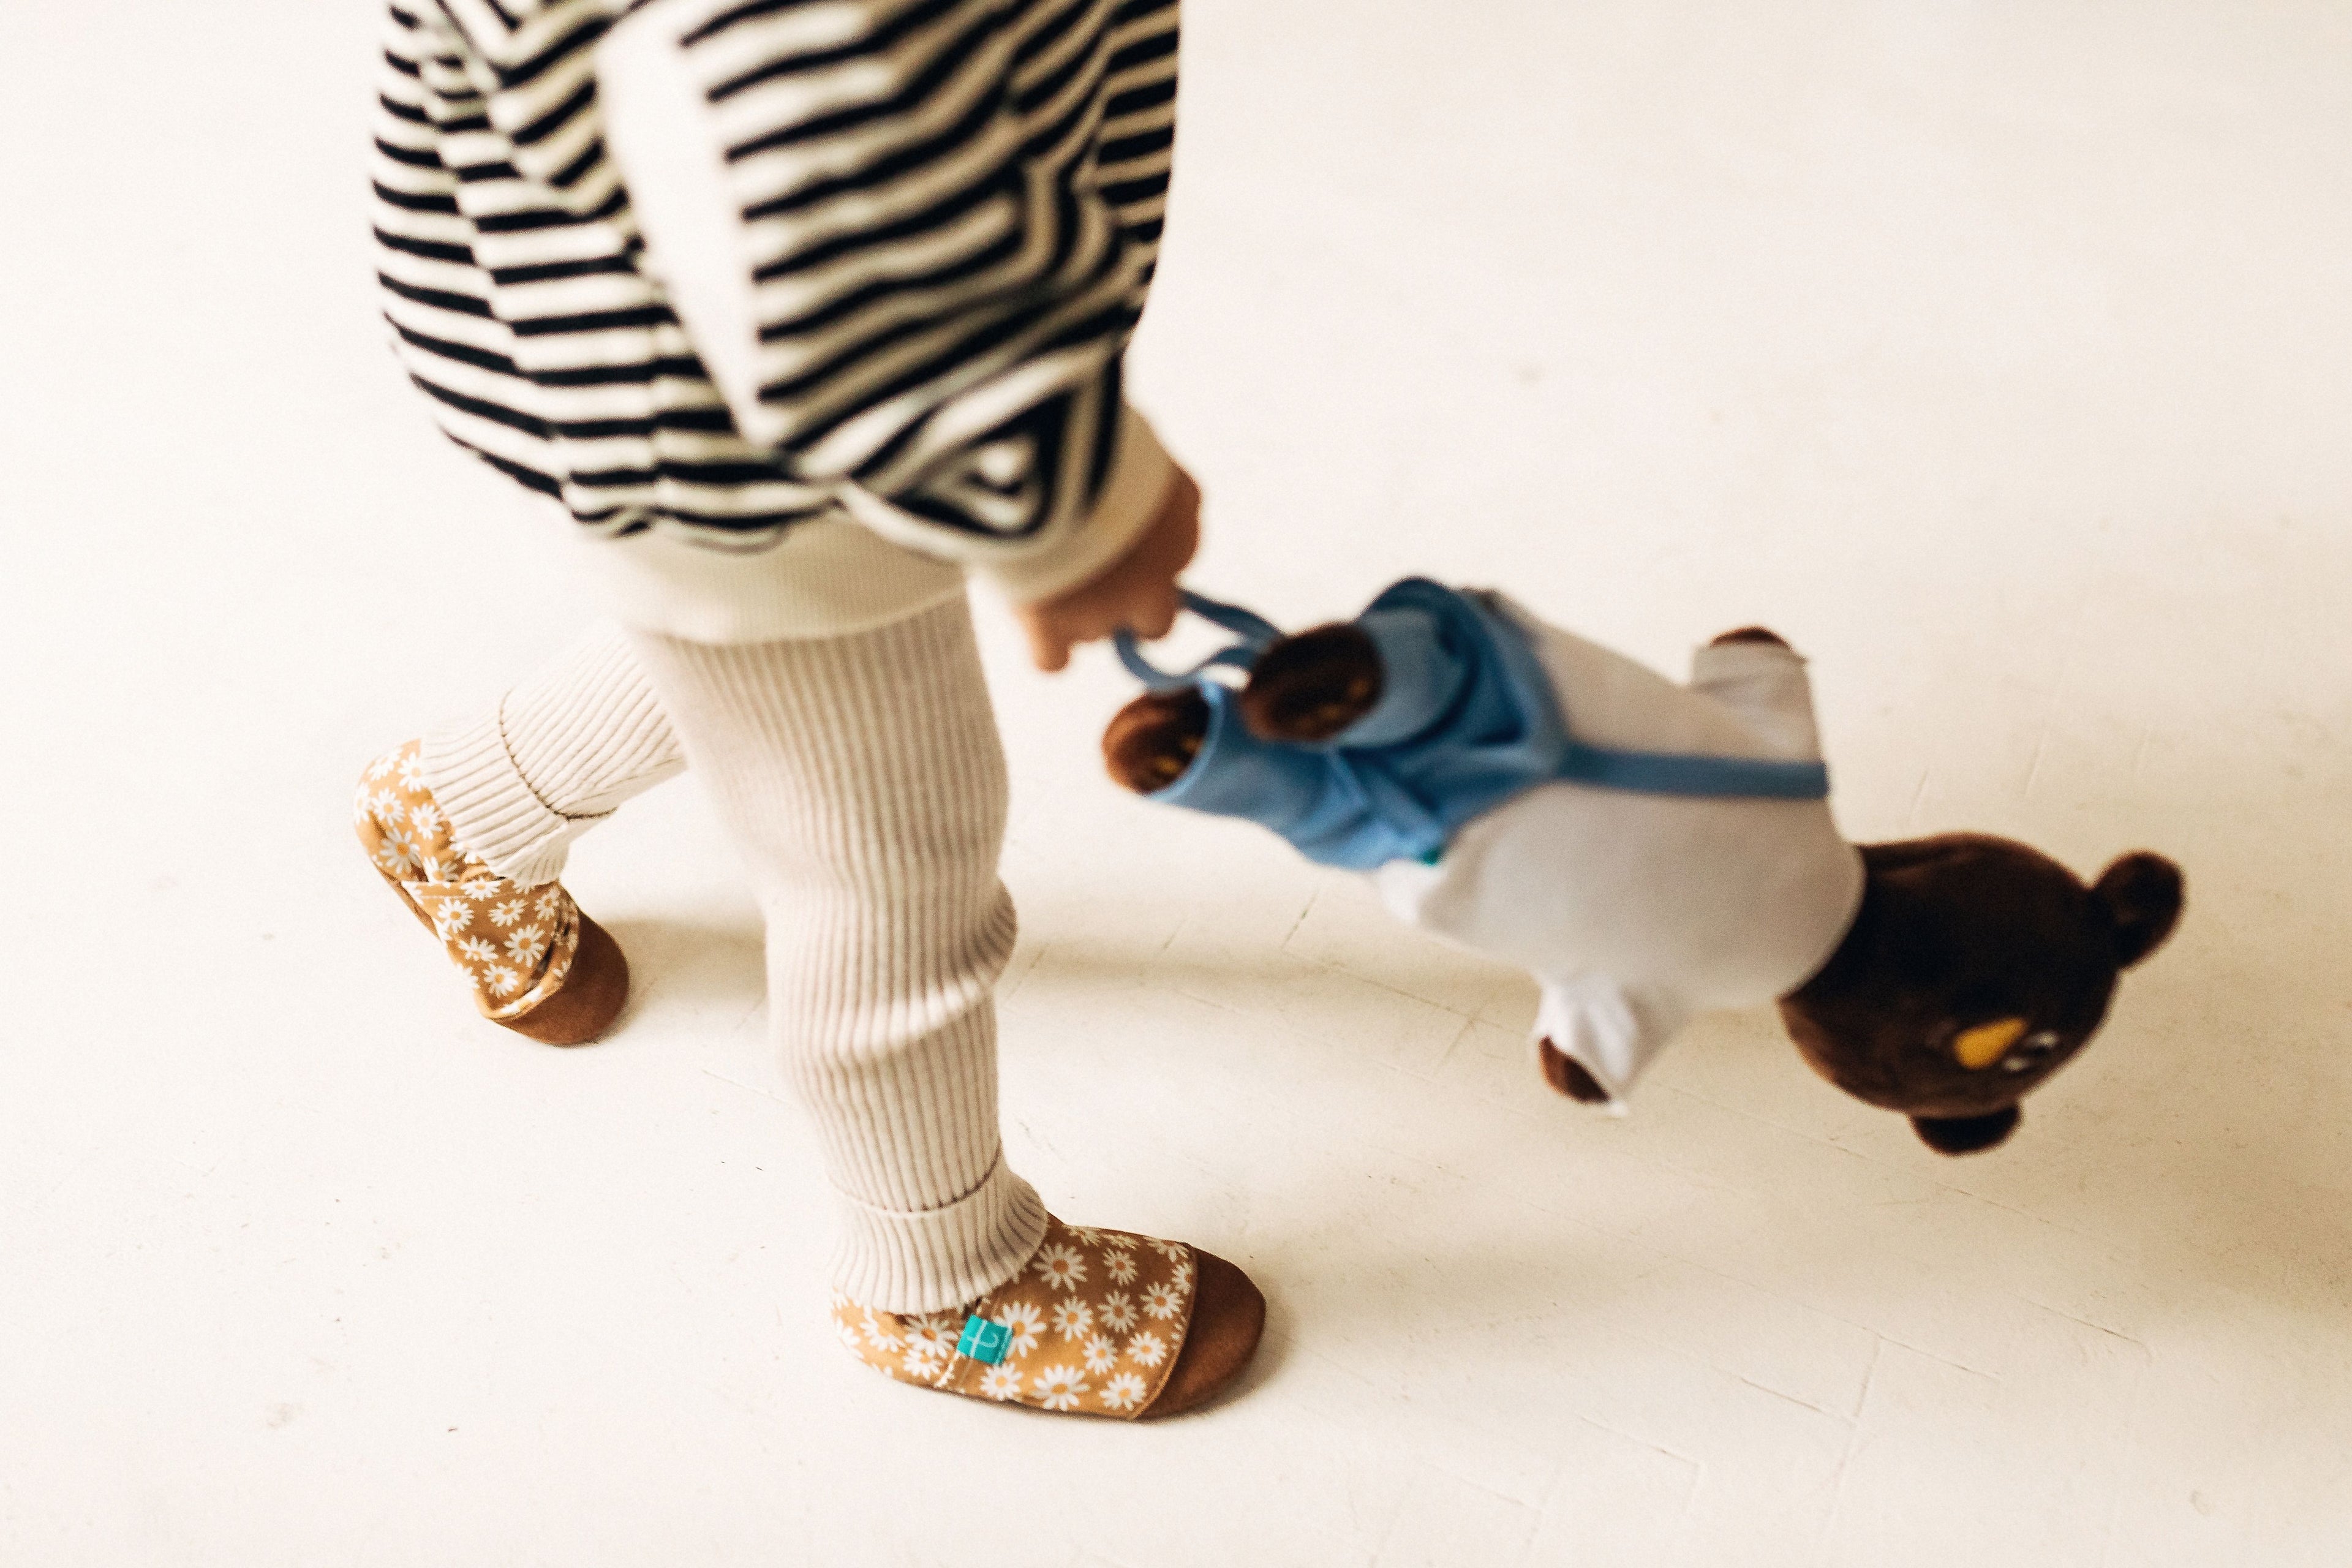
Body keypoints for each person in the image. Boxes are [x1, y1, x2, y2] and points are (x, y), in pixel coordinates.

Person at [356, 0, 1262, 1420]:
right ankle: (940, 1277)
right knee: (889, 853)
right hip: (768, 384)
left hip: (684, 321)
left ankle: (467, 808)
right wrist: (1071, 494)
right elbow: (812, 176)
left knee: (776, 672)